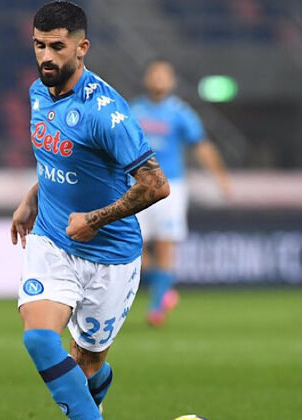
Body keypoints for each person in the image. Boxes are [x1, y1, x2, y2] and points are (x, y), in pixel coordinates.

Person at [10, 2, 170, 419]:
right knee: (40, 340)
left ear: (82, 48)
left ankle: (94, 389)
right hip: (52, 240)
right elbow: (64, 159)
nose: (46, 57)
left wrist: (94, 220)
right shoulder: (37, 92)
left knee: (87, 364)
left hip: (110, 255)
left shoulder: (107, 113)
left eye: (57, 47)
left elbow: (156, 184)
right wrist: (34, 197)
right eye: (39, 45)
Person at [130, 60, 232, 327]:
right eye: (154, 74)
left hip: (170, 187)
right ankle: (164, 288)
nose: (159, 79)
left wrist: (221, 179)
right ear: (146, 78)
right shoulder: (133, 110)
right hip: (137, 186)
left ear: (172, 81)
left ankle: (156, 307)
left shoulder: (180, 112)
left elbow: (202, 146)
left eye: (164, 75)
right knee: (131, 247)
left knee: (166, 245)